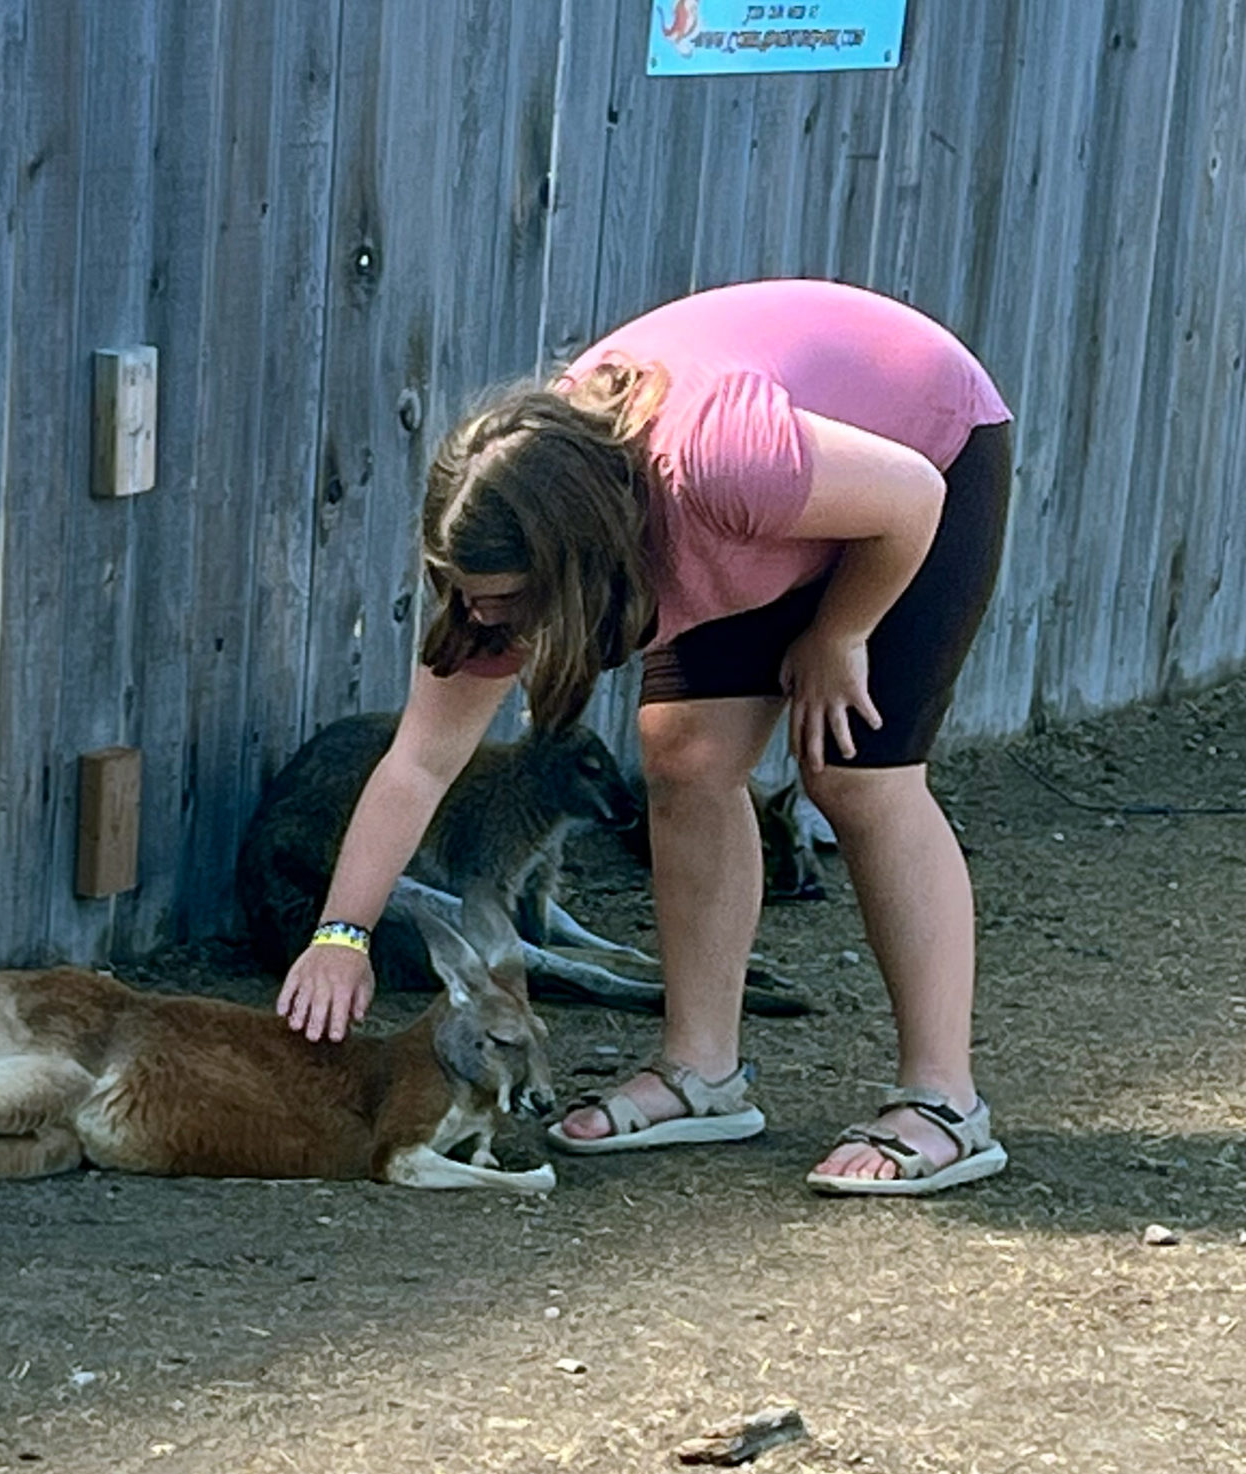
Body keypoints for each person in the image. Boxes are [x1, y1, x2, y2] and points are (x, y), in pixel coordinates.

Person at [273, 277, 1014, 1197]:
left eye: (503, 600)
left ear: (575, 565)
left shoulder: (723, 462)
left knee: (856, 777)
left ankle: (945, 1101)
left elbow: (908, 497)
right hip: (767, 515)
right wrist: (341, 934)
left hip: (918, 456)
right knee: (686, 755)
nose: (480, 617)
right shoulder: (510, 544)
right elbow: (421, 760)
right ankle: (703, 1072)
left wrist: (838, 634)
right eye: (463, 589)